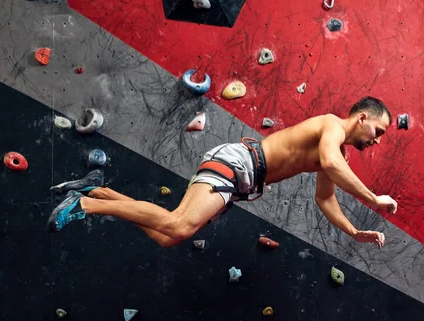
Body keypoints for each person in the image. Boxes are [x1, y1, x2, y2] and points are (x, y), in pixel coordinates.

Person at [48, 96, 398, 249]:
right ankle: (83, 205)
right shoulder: (332, 126)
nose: (377, 141)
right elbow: (334, 166)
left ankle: (99, 192)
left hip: (242, 179)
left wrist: (354, 231)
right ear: (362, 118)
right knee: (180, 225)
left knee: (169, 237)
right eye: (378, 133)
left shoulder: (335, 152)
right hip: (239, 163)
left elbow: (325, 198)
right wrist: (373, 199)